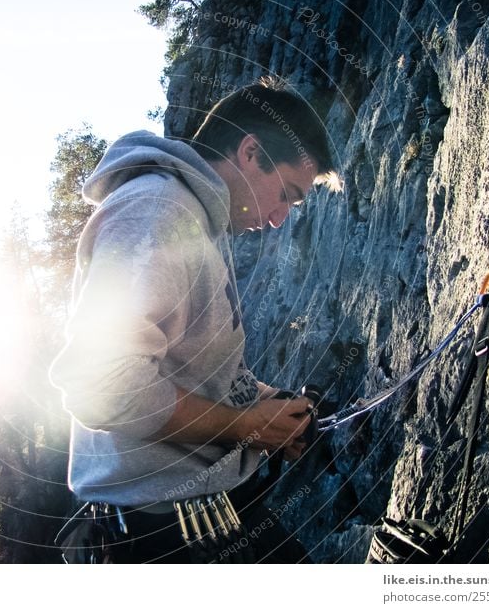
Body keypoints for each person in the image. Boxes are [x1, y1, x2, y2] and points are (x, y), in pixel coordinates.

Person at [49, 77, 339, 563]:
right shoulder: (157, 211)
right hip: (163, 537)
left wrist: (273, 408)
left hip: (203, 518)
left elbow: (198, 368)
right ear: (250, 153)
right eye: (285, 194)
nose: (279, 218)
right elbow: (103, 383)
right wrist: (245, 426)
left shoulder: (199, 221)